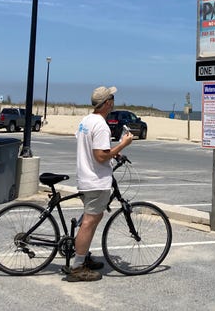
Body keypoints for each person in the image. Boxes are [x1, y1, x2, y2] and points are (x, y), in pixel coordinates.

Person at [66, 85, 133, 282]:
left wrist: (114, 152)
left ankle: (83, 256)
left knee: (94, 217)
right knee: (88, 222)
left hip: (86, 178)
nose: (114, 101)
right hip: (96, 181)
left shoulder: (86, 120)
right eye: (111, 98)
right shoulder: (102, 125)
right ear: (107, 103)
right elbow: (101, 156)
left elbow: (92, 147)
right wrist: (123, 144)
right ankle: (77, 267)